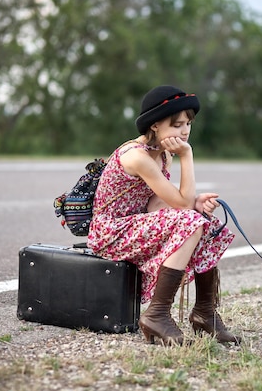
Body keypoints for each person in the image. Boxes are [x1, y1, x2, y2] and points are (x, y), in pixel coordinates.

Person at [87, 85, 241, 346]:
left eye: (188, 124)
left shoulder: (162, 154)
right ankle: (157, 314)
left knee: (205, 222)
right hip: (110, 232)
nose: (184, 131)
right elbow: (179, 204)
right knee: (192, 222)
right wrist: (187, 156)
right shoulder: (137, 156)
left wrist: (195, 202)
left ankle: (205, 312)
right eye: (177, 124)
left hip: (134, 225)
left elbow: (157, 203)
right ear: (155, 125)